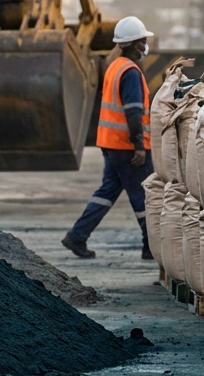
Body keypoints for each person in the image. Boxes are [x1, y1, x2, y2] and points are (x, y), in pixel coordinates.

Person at [63, 16, 155, 260]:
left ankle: (77, 236)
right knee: (145, 196)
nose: (146, 45)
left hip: (111, 144)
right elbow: (133, 112)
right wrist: (139, 147)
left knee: (107, 192)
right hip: (127, 146)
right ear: (135, 44)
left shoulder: (115, 67)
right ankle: (152, 247)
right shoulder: (131, 72)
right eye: (144, 41)